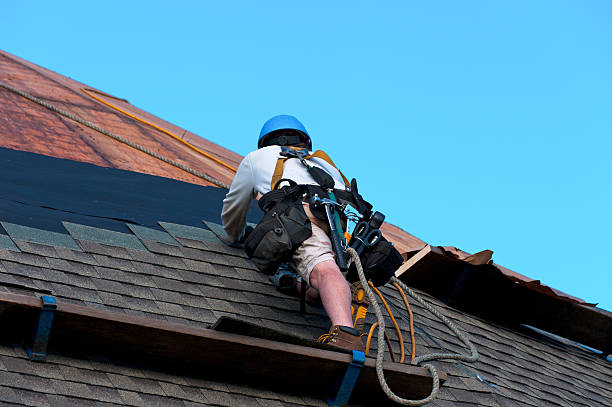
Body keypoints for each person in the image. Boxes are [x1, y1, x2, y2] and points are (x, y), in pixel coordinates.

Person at [222, 114, 364, 352]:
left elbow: (234, 208)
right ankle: (310, 292)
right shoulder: (324, 163)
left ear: (266, 141)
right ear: (304, 141)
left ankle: (345, 331)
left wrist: (235, 234)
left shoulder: (257, 158)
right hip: (338, 223)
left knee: (323, 269)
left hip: (300, 216)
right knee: (326, 269)